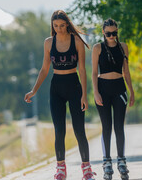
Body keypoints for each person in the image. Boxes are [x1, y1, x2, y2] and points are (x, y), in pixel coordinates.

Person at [24, 10, 96, 180]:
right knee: (59, 131)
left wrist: (84, 95)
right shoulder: (49, 43)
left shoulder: (77, 40)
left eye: (62, 25)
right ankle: (61, 169)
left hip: (74, 86)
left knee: (79, 130)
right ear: (52, 26)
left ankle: (86, 169)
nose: (59, 29)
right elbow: (44, 69)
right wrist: (34, 90)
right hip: (56, 88)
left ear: (67, 24)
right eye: (56, 26)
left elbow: (83, 70)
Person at [91, 18, 134, 180]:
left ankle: (121, 161)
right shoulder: (97, 48)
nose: (111, 36)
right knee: (106, 126)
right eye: (108, 33)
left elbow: (126, 71)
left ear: (117, 32)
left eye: (114, 33)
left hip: (119, 89)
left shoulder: (123, 47)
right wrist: (95, 92)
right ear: (103, 32)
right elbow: (94, 73)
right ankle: (106, 161)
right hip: (103, 89)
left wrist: (132, 91)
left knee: (119, 126)